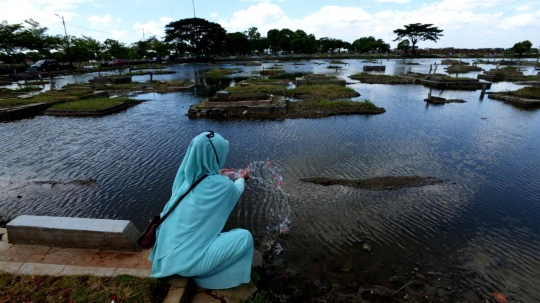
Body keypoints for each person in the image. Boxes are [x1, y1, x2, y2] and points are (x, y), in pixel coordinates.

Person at [149, 131, 253, 289]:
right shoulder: (222, 186)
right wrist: (240, 178)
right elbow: (235, 191)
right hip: (187, 265)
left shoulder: (185, 179)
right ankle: (209, 276)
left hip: (165, 258)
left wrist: (215, 173)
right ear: (216, 156)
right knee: (245, 238)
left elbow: (204, 184)